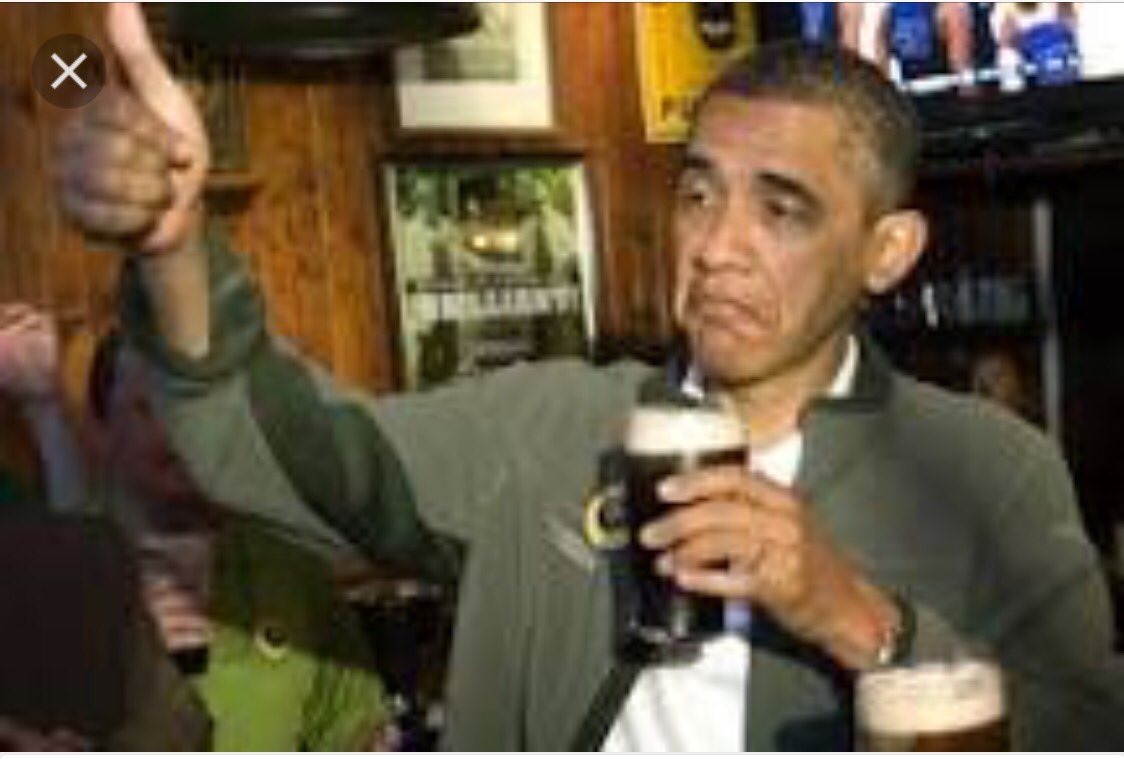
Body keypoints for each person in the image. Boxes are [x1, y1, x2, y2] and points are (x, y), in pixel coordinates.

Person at [58, 3, 1122, 750]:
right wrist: (175, 242)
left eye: (782, 208)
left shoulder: (987, 469)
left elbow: (1087, 732)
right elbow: (297, 456)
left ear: (886, 251)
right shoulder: (552, 425)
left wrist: (859, 618)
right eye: (698, 194)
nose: (718, 246)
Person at [0, 312, 393, 750]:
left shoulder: (294, 570)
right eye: (152, 407)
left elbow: (355, 735)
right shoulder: (46, 586)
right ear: (103, 430)